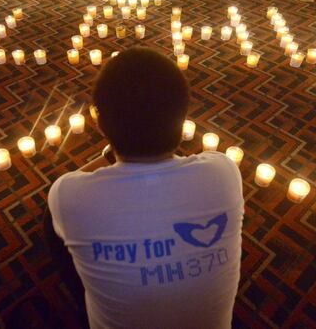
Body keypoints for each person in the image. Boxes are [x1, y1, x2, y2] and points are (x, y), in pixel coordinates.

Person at [46, 47, 244, 328]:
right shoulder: (224, 172)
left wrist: (109, 154)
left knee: (50, 224)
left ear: (99, 123)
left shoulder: (68, 196)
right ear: (183, 118)